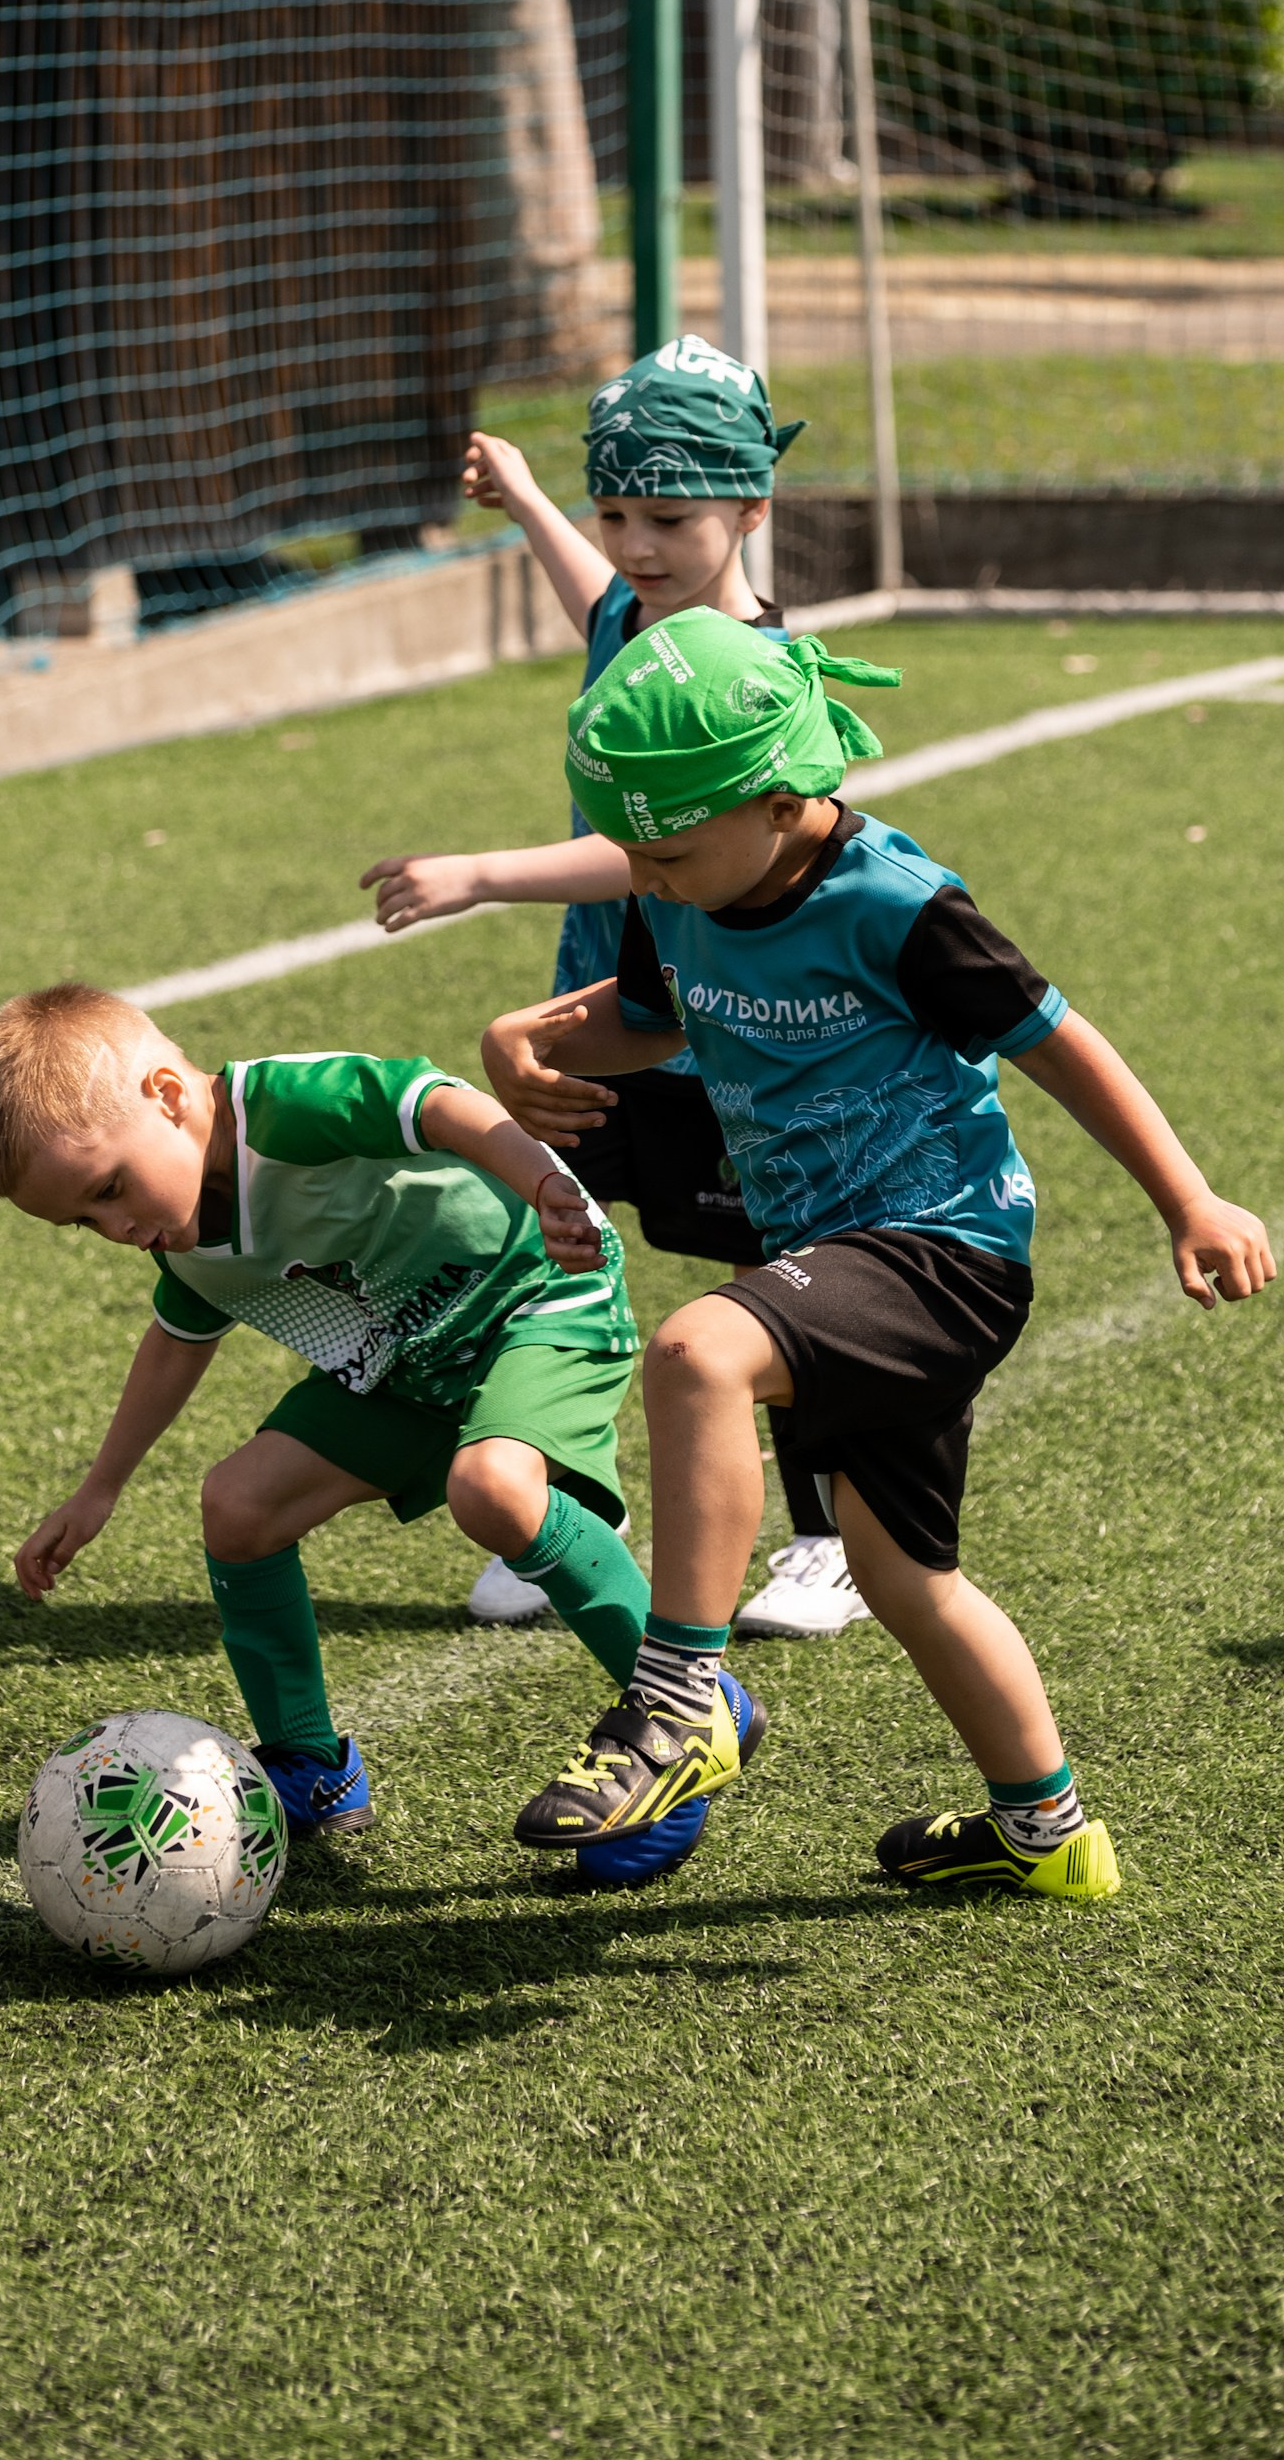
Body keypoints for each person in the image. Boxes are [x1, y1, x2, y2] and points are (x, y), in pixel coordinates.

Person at [480, 613, 1276, 1898]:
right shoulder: (674, 882)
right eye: (636, 852)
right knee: (906, 1575)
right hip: (828, 1261)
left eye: (670, 851)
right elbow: (642, 1020)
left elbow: (1058, 1040)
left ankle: (680, 1701)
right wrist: (527, 1038)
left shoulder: (896, 905)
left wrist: (1190, 1199)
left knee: (699, 1350)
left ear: (783, 797)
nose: (651, 876)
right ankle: (1049, 1837)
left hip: (941, 1252)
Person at [360, 334, 873, 1647]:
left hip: (730, 1034)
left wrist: (479, 872)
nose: (639, 546)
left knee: (781, 1276)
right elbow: (593, 596)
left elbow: (652, 848)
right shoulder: (629, 613)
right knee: (555, 1254)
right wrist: (533, 499)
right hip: (603, 1018)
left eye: (672, 517)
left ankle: (832, 1540)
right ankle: (569, 1519)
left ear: (752, 508)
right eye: (618, 513)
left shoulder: (749, 667)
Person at [0, 981, 718, 1852]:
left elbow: (436, 1106)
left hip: (536, 1299)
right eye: (84, 1221)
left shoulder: (278, 1108)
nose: (116, 1226)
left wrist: (544, 1181)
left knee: (494, 1490)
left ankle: (682, 1711)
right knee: (238, 1508)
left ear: (168, 1099)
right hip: (411, 1371)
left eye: (109, 1188)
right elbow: (176, 1340)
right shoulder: (179, 1233)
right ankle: (312, 1769)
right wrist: (99, 1490)